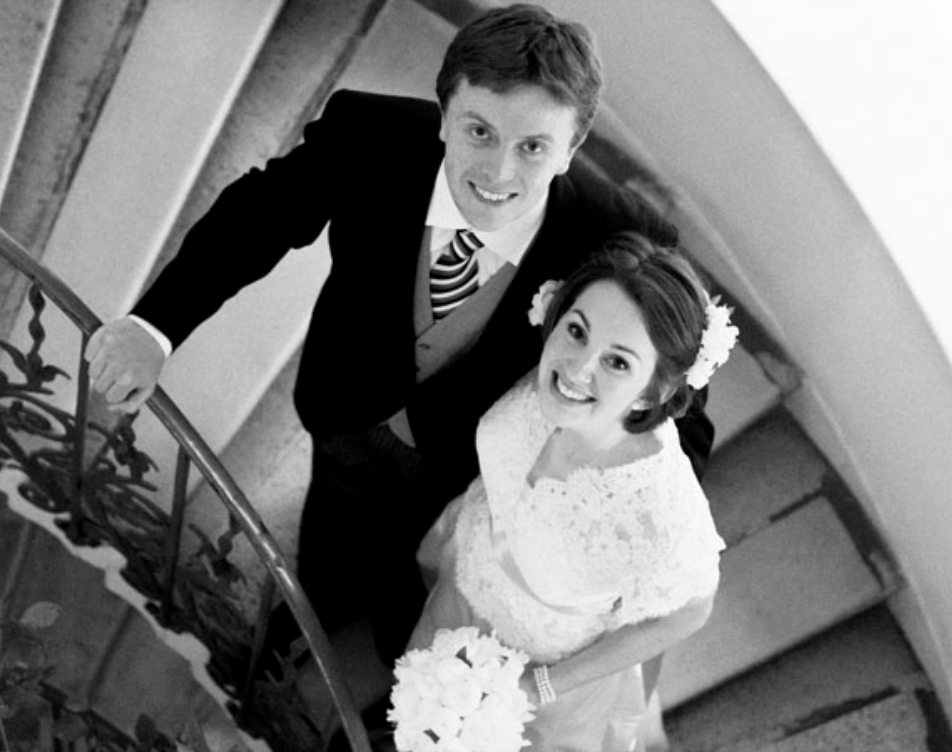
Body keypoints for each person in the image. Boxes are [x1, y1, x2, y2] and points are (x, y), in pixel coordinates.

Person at [83, 3, 714, 680]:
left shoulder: (614, 235)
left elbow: (682, 404)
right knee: (326, 548)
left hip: (471, 477)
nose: (500, 173)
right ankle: (298, 628)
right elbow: (259, 217)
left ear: (573, 144)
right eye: (478, 130)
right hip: (345, 408)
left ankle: (393, 651)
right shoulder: (371, 136)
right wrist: (156, 325)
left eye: (533, 146)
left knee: (412, 602)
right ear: (444, 115)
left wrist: (613, 509)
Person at [402, 234, 735, 751]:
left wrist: (542, 684)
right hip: (464, 584)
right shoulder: (544, 388)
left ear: (656, 390)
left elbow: (690, 610)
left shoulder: (656, 514)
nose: (577, 368)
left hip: (537, 678)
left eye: (618, 362)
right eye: (576, 331)